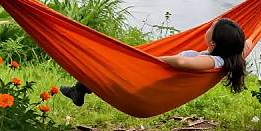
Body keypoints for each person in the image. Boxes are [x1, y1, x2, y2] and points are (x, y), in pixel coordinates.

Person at [60, 18, 249, 107]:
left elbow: (183, 64)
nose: (208, 27)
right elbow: (247, 44)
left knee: (104, 65)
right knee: (104, 67)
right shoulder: (231, 55)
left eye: (211, 28)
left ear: (213, 42)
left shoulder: (211, 61)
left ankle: (80, 89)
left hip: (148, 84)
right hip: (153, 79)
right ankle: (80, 89)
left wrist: (155, 61)